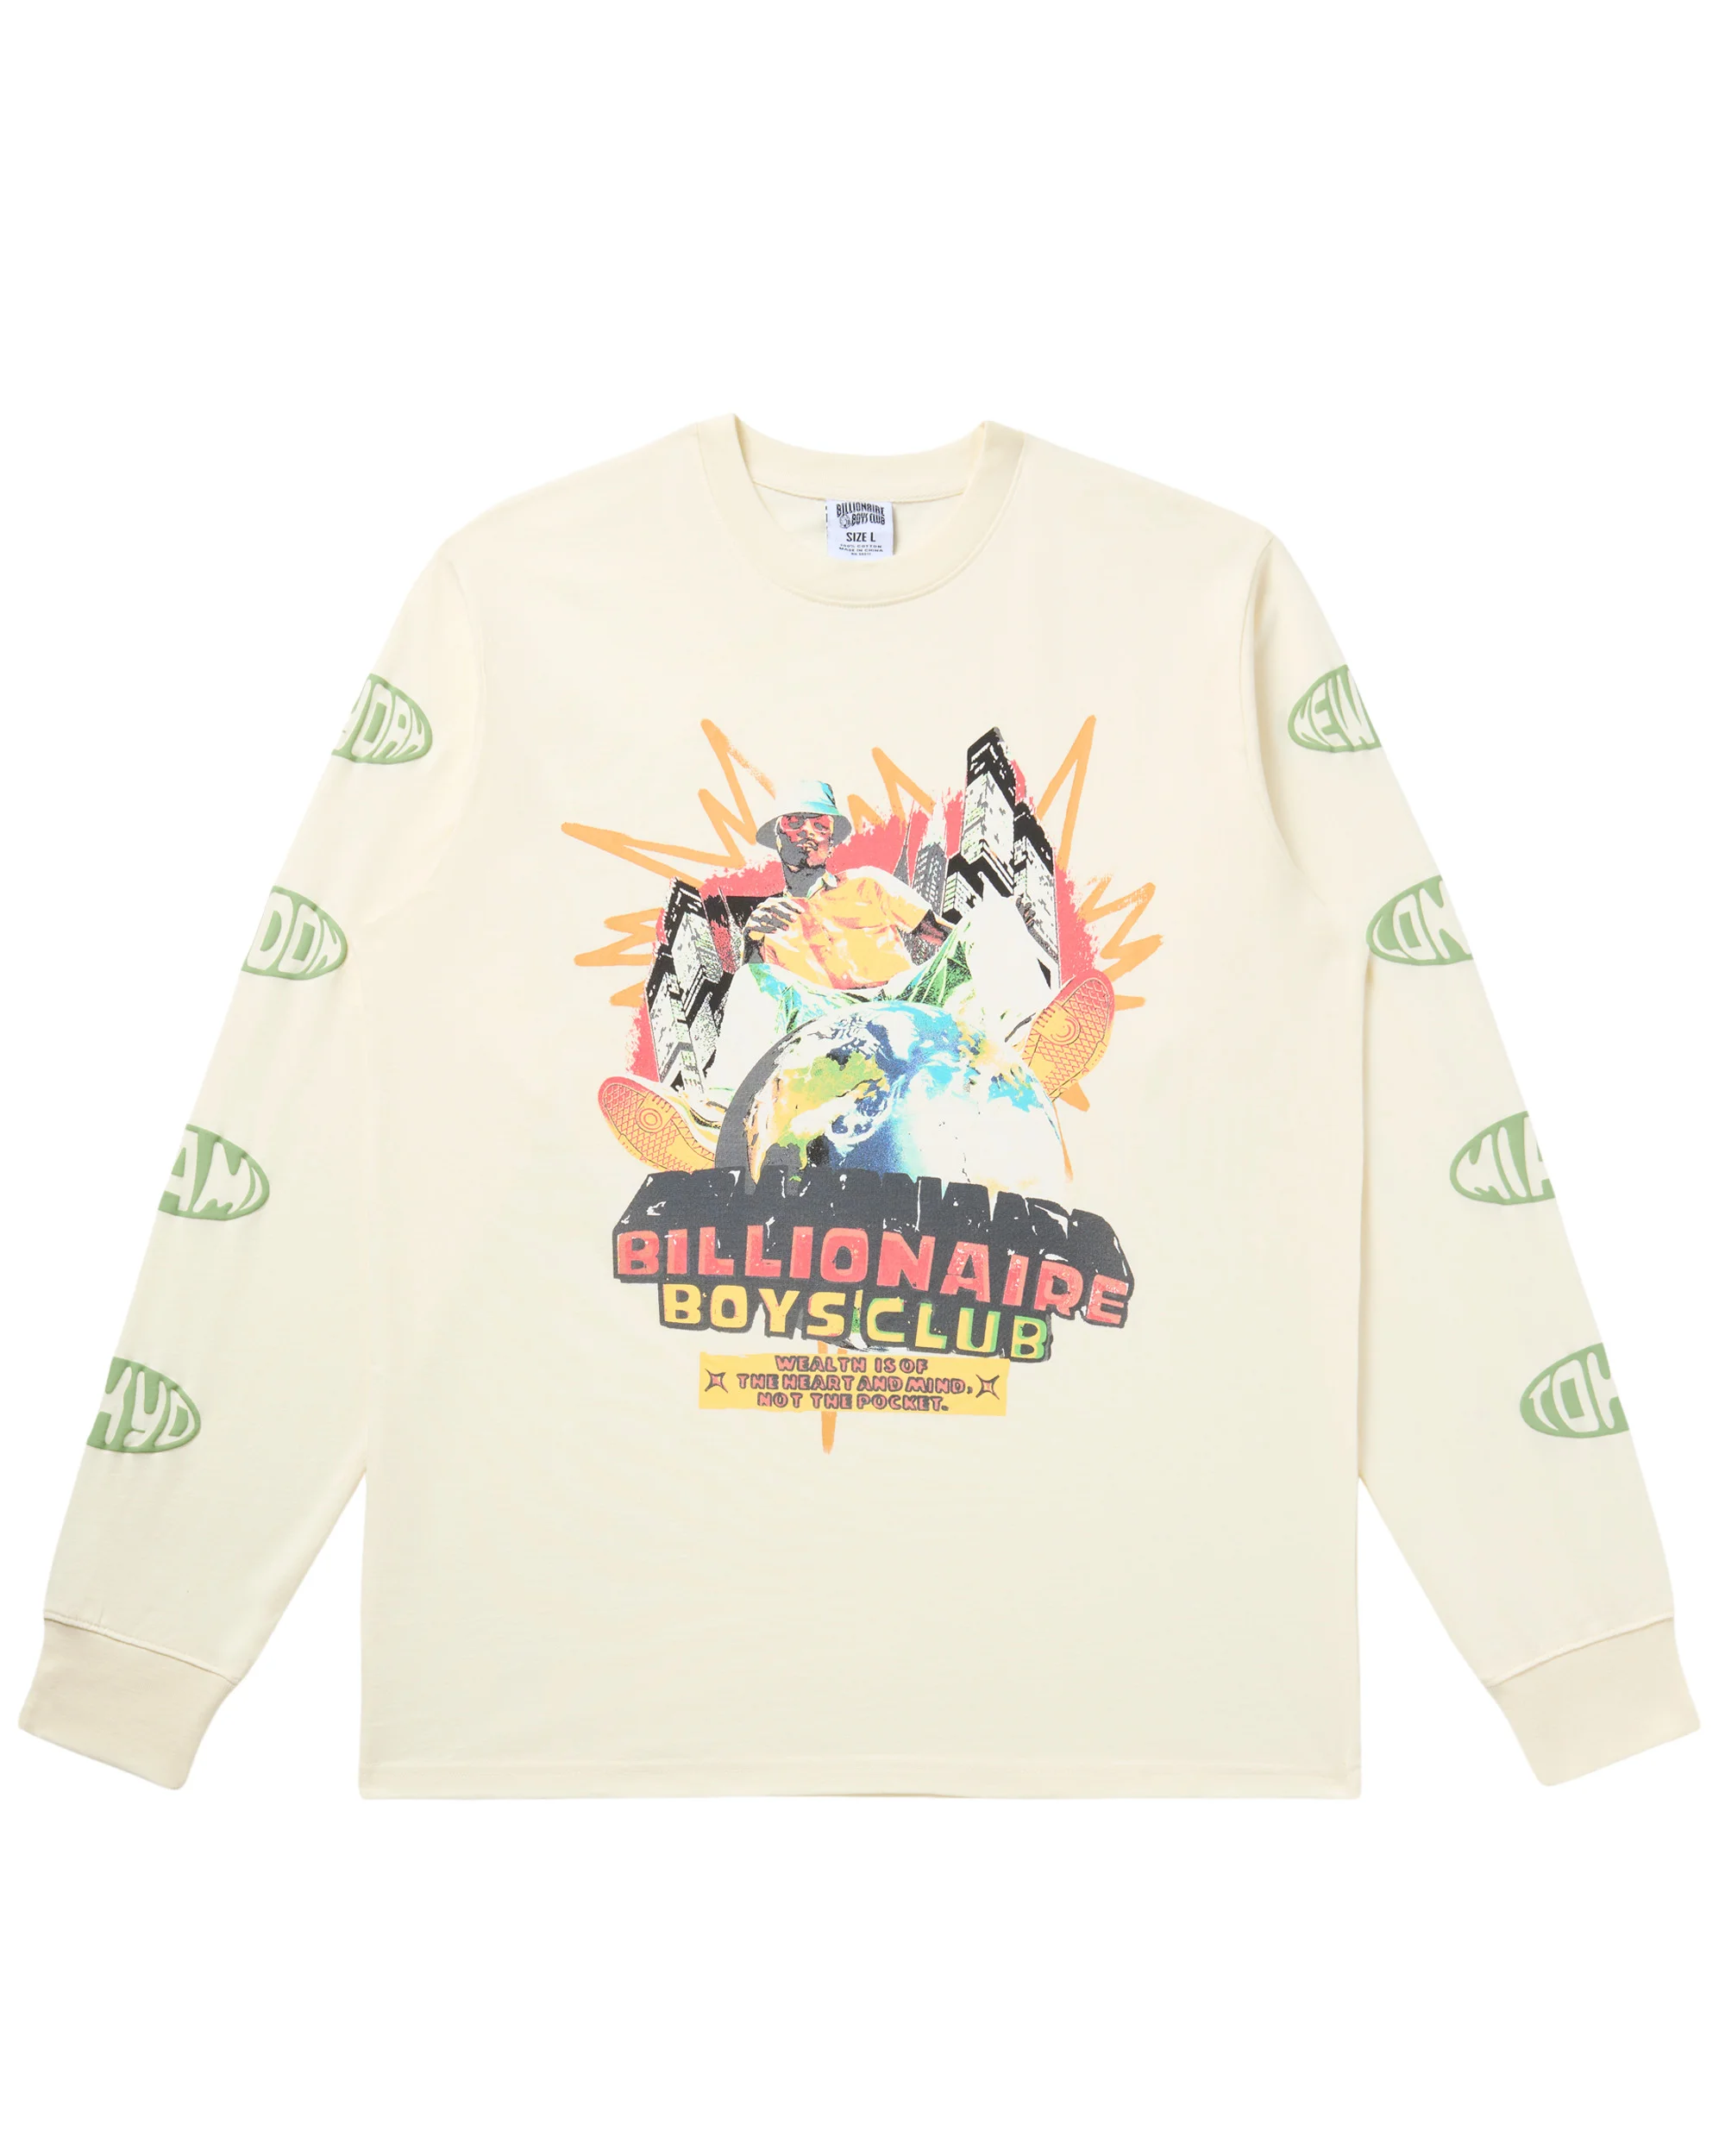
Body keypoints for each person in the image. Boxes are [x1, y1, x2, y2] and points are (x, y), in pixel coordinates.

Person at [599, 780, 1113, 1171]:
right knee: (749, 983)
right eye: (797, 824)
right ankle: (718, 1125)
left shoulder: (868, 884)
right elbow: (764, 1004)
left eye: (820, 826)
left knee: (992, 913)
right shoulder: (767, 919)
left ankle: (1023, 1049)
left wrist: (987, 948)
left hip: (908, 996)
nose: (809, 834)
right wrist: (752, 945)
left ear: (832, 839)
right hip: (826, 1018)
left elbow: (939, 934)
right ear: (778, 836)